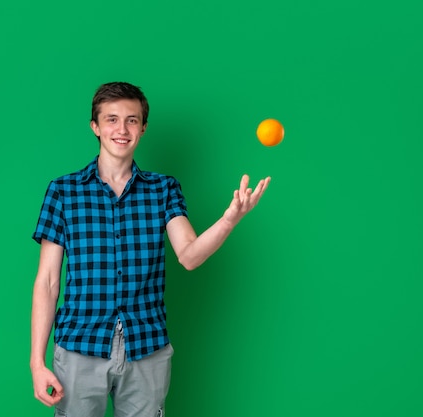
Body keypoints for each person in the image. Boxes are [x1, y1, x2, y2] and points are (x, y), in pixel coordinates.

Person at [30, 82, 270, 417]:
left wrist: (230, 219)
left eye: (132, 120)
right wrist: (36, 363)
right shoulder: (63, 192)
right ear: (95, 127)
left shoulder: (164, 188)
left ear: (143, 127)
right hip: (79, 347)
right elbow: (48, 282)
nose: (122, 129)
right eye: (111, 119)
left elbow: (189, 255)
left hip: (146, 347)